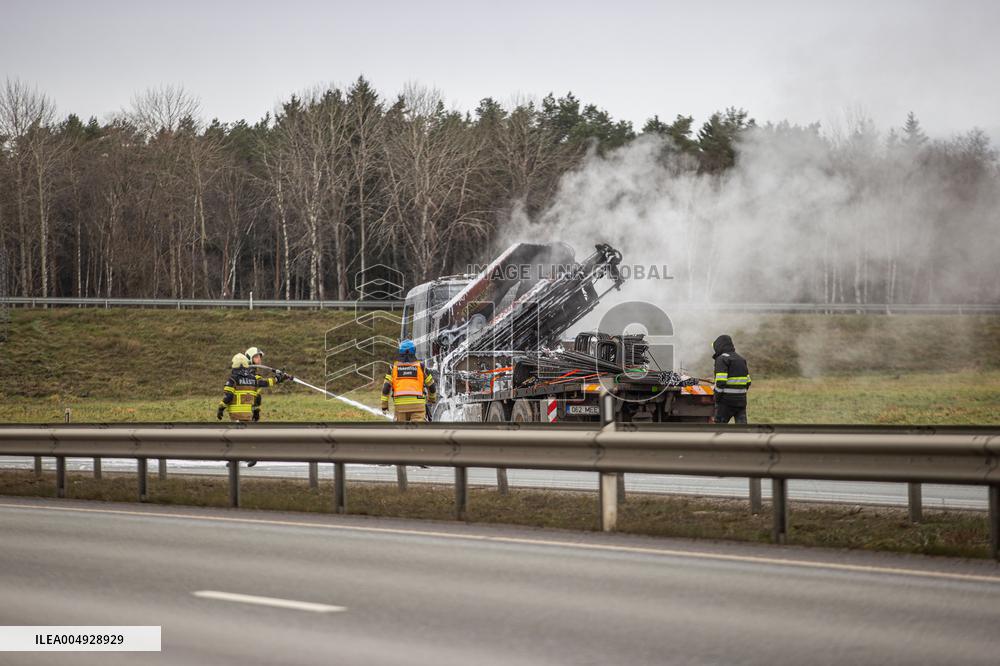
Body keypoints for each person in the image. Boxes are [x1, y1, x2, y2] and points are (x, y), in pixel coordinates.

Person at [381, 340, 436, 422]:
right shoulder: (421, 367)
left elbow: (386, 388)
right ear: (414, 351)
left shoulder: (393, 368)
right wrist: (432, 399)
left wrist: (384, 405)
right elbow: (432, 386)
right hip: (418, 406)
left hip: (400, 407)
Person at [244, 346, 293, 417]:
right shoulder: (248, 371)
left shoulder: (250, 370)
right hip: (244, 402)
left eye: (260, 357)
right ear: (249, 358)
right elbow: (261, 383)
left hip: (250, 401)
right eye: (256, 357)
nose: (259, 359)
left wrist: (280, 378)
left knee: (258, 397)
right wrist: (276, 379)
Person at [712, 334, 751, 424]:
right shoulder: (741, 359)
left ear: (719, 346)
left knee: (718, 429)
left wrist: (716, 397)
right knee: (742, 429)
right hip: (741, 401)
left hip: (726, 402)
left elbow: (721, 382)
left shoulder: (722, 359)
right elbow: (748, 382)